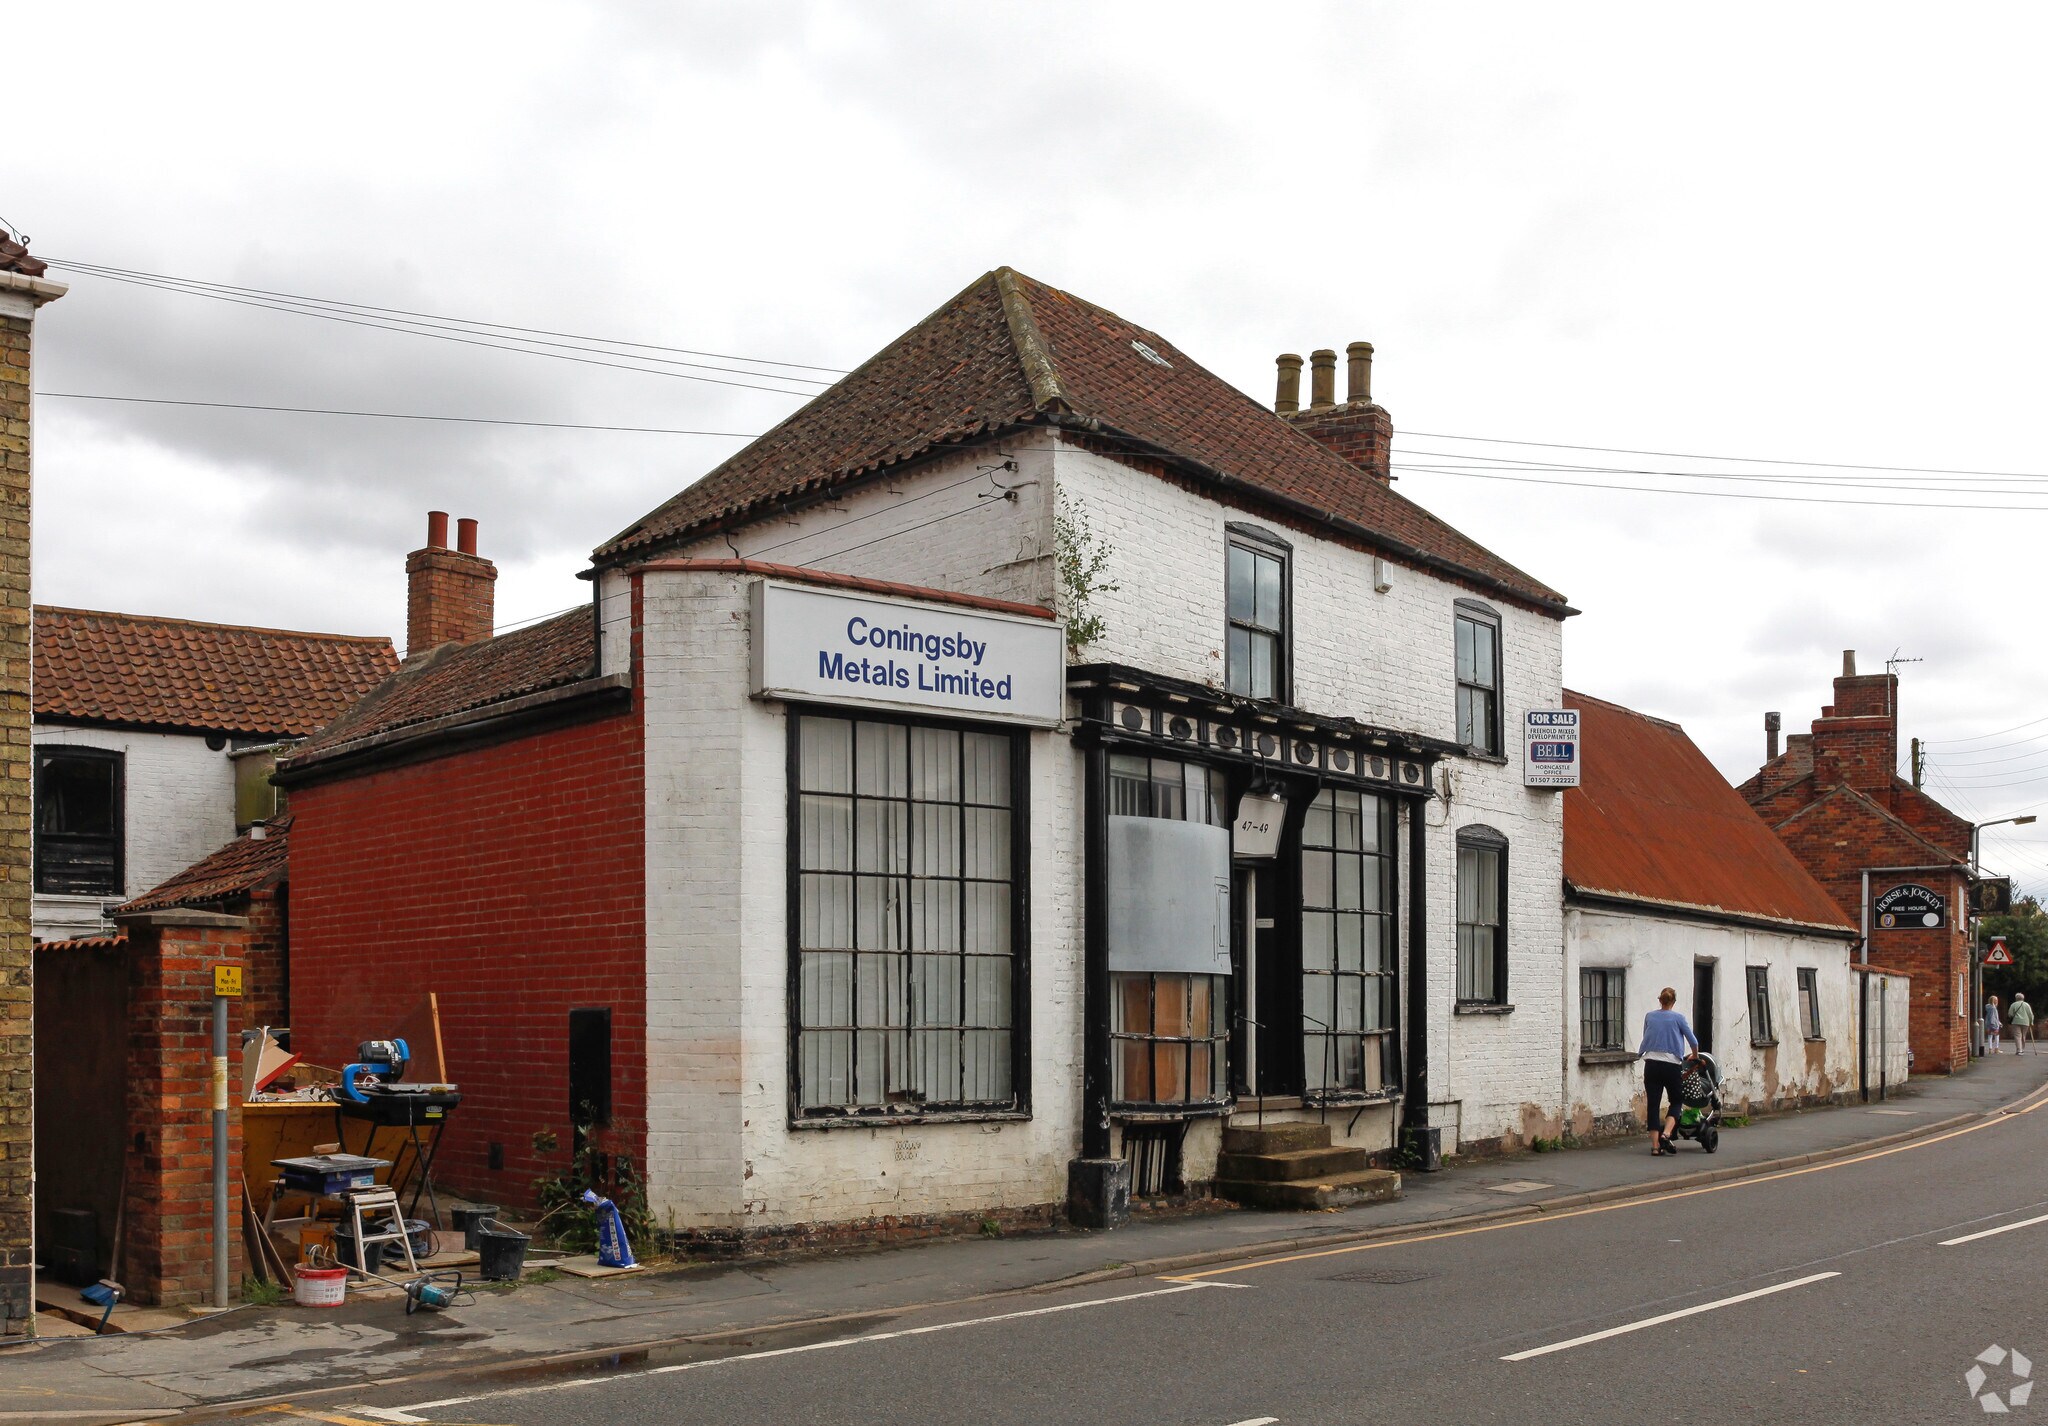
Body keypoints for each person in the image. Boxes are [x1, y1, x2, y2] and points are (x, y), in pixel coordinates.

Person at [1640, 986, 1700, 1156]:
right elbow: (1693, 1041)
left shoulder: (1649, 1016)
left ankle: (1655, 1146)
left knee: (1653, 1105)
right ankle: (1666, 1134)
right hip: (1671, 1065)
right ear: (1673, 1002)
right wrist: (1694, 1056)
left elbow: (1647, 1035)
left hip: (1651, 1064)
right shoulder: (1678, 1018)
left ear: (1660, 1000)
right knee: (1676, 1101)